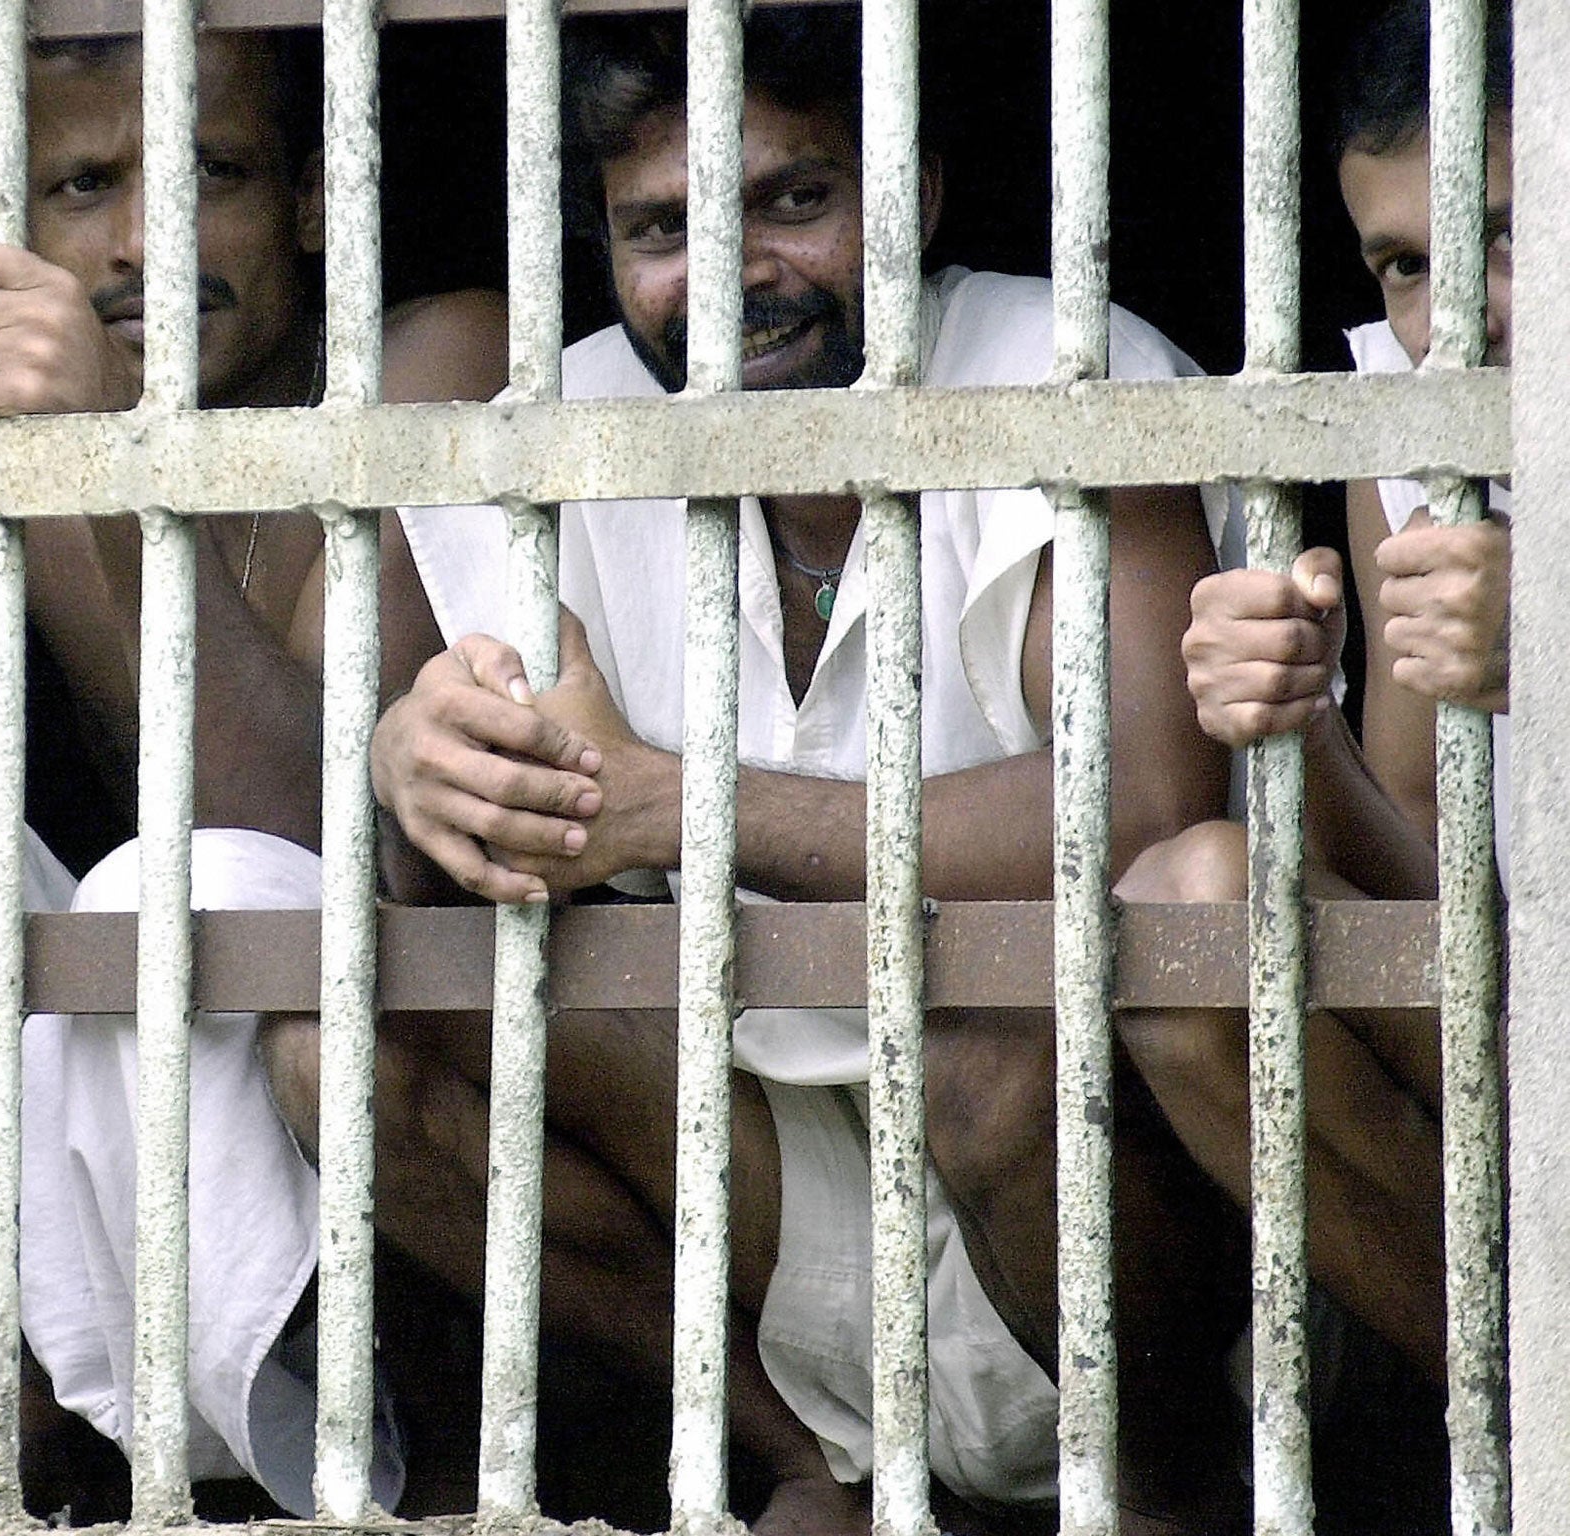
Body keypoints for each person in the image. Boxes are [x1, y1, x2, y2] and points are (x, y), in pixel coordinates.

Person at [261, 11, 1255, 1533]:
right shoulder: (558, 432)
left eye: (794, 201)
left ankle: (1157, 1489)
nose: (725, 270)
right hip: (756, 1162)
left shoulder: (1060, 372)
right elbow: (447, 877)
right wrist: (417, 764)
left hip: (1070, 1154)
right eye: (660, 227)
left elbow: (1140, 806)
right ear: (598, 244)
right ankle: (800, 1454)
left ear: (911, 198)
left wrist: (674, 804)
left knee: (992, 1054)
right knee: (343, 1048)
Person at [0, 27, 506, 1519]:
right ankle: (16, 1365)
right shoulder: (11, 409)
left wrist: (111, 455)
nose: (143, 239)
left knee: (183, 887)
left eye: (211, 172)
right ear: (15, 234)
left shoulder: (434, 360)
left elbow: (312, 829)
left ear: (318, 199)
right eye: (83, 184)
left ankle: (337, 1456)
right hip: (151, 1054)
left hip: (378, 1074)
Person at [1113, 0, 1511, 1399]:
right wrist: (1298, 728)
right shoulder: (1413, 426)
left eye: (1505, 237)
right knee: (1186, 908)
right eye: (1405, 264)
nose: (1449, 313)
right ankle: (1510, 1426)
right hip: (1520, 1027)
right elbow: (1438, 891)